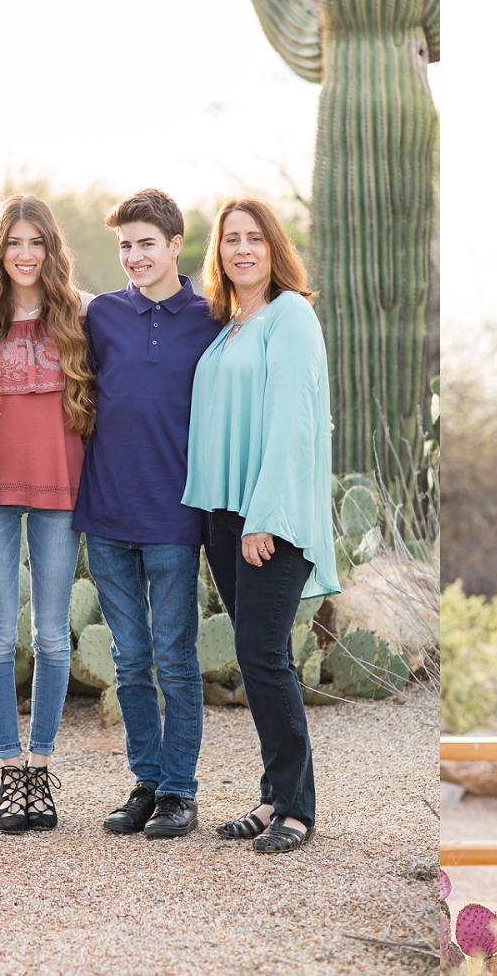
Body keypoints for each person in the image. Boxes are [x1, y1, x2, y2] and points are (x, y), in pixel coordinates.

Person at [183, 198, 339, 855]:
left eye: (254, 238)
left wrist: (264, 517)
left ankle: (296, 809)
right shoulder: (233, 325)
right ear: (218, 252)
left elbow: (291, 423)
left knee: (263, 656)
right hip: (223, 516)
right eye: (230, 239)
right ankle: (274, 793)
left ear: (275, 246)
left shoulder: (290, 316)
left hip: (269, 519)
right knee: (258, 658)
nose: (241, 249)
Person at [73, 188, 221, 839]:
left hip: (173, 514)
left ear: (175, 245)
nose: (133, 255)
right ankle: (145, 781)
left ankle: (179, 793)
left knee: (175, 655)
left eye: (145, 244)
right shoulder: (101, 315)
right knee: (130, 659)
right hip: (107, 511)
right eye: (125, 245)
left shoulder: (210, 315)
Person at [0, 195, 95, 833]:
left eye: (36, 243)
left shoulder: (80, 315)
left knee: (50, 632)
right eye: (14, 244)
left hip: (60, 492)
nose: (25, 255)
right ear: (0, 251)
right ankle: (6, 767)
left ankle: (40, 766)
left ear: (51, 249)